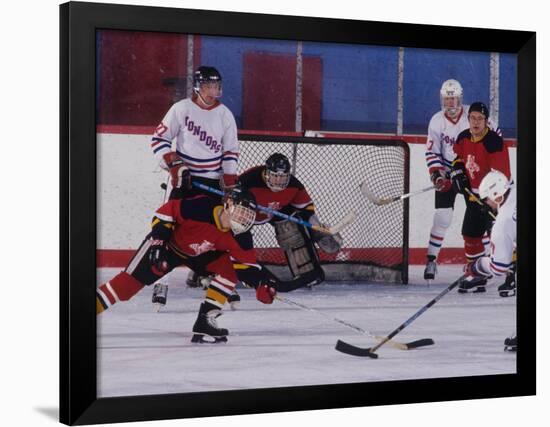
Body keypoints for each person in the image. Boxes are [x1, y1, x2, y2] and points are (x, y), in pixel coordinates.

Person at [96, 187, 278, 343]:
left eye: (248, 216)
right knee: (126, 288)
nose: (244, 219)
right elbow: (166, 212)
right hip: (169, 245)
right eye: (241, 212)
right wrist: (158, 242)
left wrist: (260, 284)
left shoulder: (242, 236)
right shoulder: (201, 207)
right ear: (228, 204)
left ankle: (205, 320)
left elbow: (247, 267)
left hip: (199, 253)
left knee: (230, 269)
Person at [149, 65, 240, 302]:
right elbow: (159, 139)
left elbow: (230, 151)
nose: (213, 91)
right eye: (209, 86)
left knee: (213, 230)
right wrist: (175, 164)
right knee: (167, 229)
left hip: (210, 180)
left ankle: (211, 276)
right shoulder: (181, 109)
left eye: (216, 86)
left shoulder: (225, 114)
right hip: (183, 178)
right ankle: (160, 282)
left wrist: (229, 183)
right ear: (198, 87)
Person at [423, 80, 500, 283]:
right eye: (446, 98)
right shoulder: (436, 121)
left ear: (460, 98)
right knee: (442, 217)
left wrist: (483, 166)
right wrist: (438, 175)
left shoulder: (472, 116)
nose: (450, 102)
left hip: (472, 175)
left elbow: (496, 136)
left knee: (478, 221)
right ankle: (431, 260)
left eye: (453, 97)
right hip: (449, 174)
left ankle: (481, 266)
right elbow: (432, 152)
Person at [238, 153, 343, 287]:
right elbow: (231, 197)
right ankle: (234, 272)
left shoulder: (294, 185)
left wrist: (316, 228)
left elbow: (307, 209)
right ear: (266, 173)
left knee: (292, 231)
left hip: (275, 212)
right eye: (275, 176)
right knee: (238, 234)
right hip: (246, 213)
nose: (278, 182)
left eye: (282, 177)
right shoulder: (249, 179)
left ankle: (306, 274)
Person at [450, 102, 511, 293]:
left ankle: (512, 276)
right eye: (473, 118)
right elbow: (458, 158)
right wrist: (458, 170)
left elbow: (501, 177)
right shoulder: (463, 138)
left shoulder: (494, 142)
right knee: (470, 233)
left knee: (500, 236)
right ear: (468, 119)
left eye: (480, 119)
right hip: (473, 197)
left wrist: (491, 202)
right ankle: (478, 275)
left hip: (496, 198)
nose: (476, 122)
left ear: (486, 121)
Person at [458, 170, 517, 351]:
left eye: (487, 200)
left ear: (497, 195)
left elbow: (499, 268)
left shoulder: (502, 224)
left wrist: (477, 266)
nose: (486, 205)